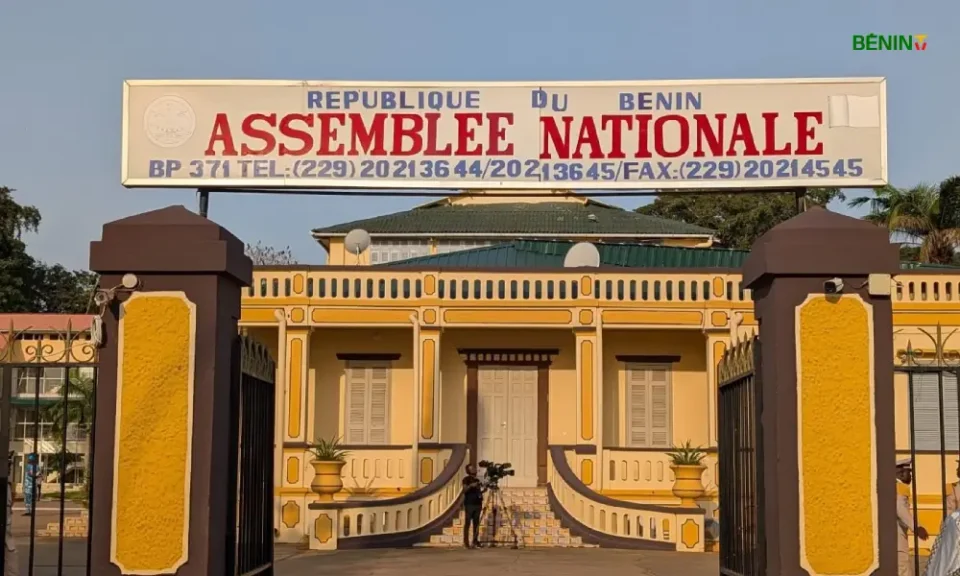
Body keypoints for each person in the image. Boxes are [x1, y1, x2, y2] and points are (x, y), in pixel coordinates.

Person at [898, 458, 929, 576]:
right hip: (897, 536)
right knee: (903, 568)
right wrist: (916, 527)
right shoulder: (899, 487)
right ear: (901, 474)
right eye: (908, 473)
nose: (911, 476)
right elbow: (900, 508)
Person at [462, 464, 484, 549]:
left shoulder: (477, 480)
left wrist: (483, 490)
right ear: (468, 470)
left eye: (474, 468)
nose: (475, 469)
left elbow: (478, 491)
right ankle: (466, 542)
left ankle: (475, 541)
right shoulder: (466, 479)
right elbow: (464, 490)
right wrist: (471, 486)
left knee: (476, 523)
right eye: (472, 468)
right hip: (469, 504)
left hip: (478, 504)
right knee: (467, 523)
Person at [4, 453, 18, 576]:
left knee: (12, 569)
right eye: (7, 465)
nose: (9, 468)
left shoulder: (7, 485)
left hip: (7, 535)